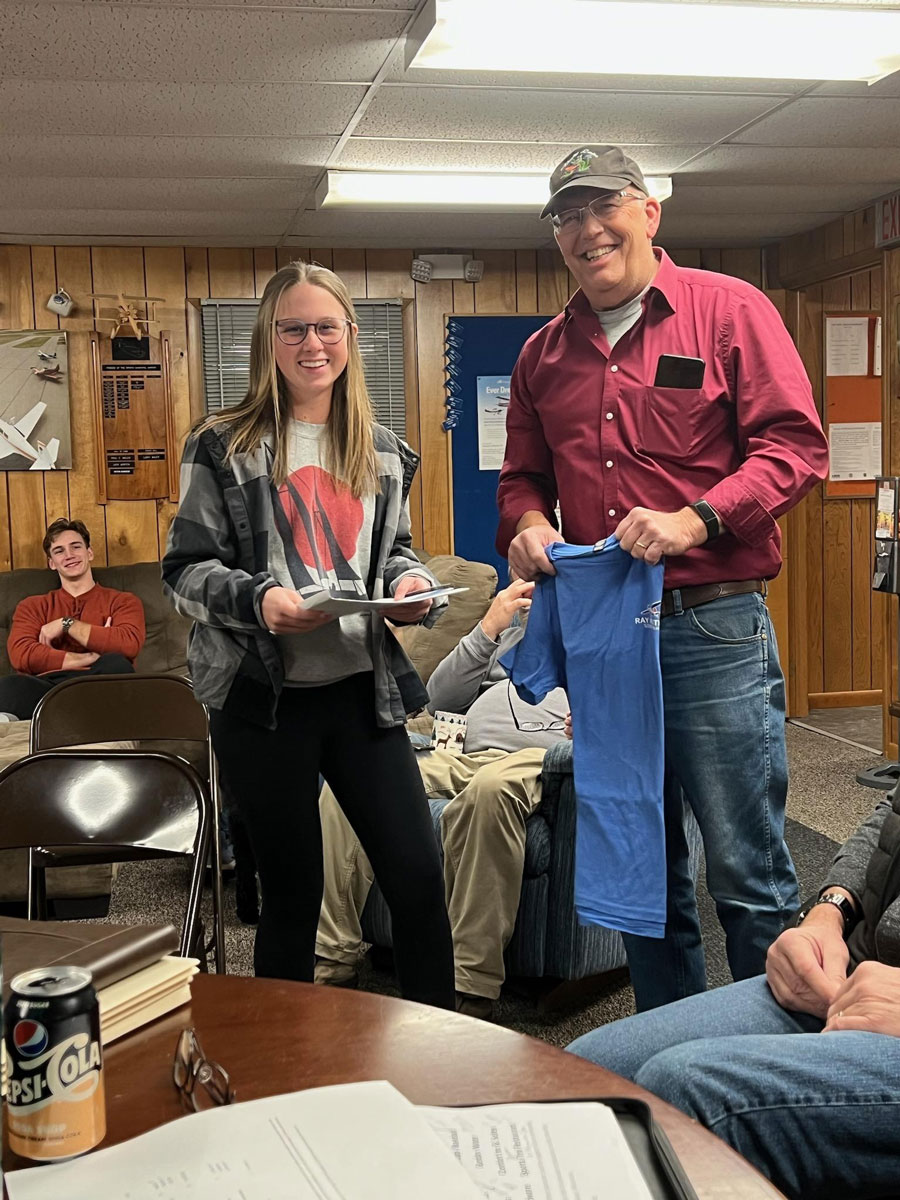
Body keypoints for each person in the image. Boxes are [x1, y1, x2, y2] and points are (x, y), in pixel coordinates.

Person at [497, 144, 829, 1010]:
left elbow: (796, 449)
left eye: (603, 206)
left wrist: (696, 518)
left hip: (713, 627)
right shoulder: (543, 355)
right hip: (606, 638)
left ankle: (773, 1064)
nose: (586, 229)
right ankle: (669, 1054)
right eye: (567, 216)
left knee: (747, 870)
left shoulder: (730, 311)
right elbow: (522, 478)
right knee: (638, 868)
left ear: (649, 212)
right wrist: (528, 527)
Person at [162, 260, 455, 1009]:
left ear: (350, 336)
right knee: (293, 894)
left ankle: (445, 1057)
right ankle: (284, 1065)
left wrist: (410, 585)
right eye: (292, 329)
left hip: (362, 693)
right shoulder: (222, 444)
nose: (311, 344)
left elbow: (393, 552)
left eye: (325, 327)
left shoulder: (381, 449)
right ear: (269, 338)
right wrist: (260, 600)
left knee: (419, 881)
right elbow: (185, 571)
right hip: (262, 701)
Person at [566, 788, 900, 1200]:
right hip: (850, 972)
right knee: (581, 1075)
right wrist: (830, 909)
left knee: (686, 1091)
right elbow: (891, 807)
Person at [315, 577, 569, 1019]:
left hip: (539, 758)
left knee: (489, 791)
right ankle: (329, 960)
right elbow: (437, 700)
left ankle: (468, 986)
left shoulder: (600, 632)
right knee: (354, 782)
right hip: (464, 752)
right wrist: (489, 628)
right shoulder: (508, 632)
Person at [0, 517, 144, 718]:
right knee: (7, 687)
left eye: (76, 547)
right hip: (47, 687)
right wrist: (90, 655)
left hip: (99, 680)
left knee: (117, 664)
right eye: (59, 551)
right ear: (52, 563)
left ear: (89, 553)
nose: (69, 555)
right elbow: (22, 655)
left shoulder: (123, 601)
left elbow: (128, 644)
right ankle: (78, 716)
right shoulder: (32, 606)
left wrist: (67, 624)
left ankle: (65, 718)